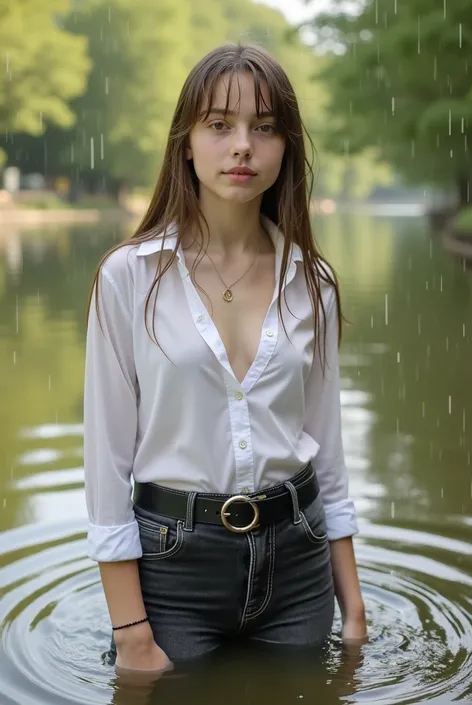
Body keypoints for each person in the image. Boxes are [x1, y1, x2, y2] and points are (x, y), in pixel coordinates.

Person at [83, 42, 367, 676]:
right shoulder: (129, 277)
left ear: (285, 147)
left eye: (264, 128)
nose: (243, 146)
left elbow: (328, 450)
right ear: (186, 142)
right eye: (220, 125)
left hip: (300, 563)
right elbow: (106, 466)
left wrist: (353, 607)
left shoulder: (312, 281)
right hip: (172, 568)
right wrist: (131, 632)